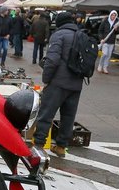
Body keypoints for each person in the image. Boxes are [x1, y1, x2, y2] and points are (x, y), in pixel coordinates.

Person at [31, 11, 87, 159]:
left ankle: (38, 144)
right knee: (68, 116)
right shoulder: (81, 35)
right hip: (76, 84)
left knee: (46, 113)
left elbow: (52, 60)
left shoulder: (59, 35)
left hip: (58, 82)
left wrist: (46, 79)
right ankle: (61, 146)